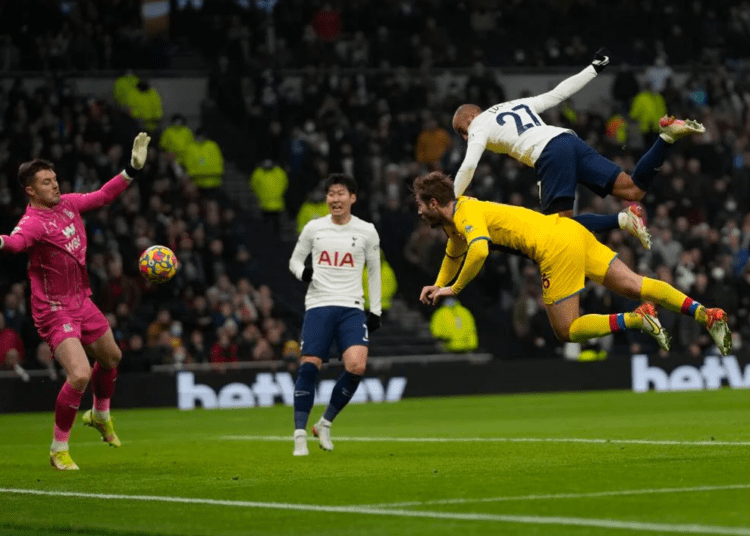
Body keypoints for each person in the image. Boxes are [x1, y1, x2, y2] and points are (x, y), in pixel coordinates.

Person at [414, 171, 731, 358]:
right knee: (636, 284)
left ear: (432, 203)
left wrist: (454, 288)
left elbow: (479, 251)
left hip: (555, 248)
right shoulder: (457, 220)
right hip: (570, 230)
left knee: (566, 330)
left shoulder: (466, 214)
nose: (417, 212)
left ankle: (637, 321)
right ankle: (707, 314)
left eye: (419, 205)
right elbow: (454, 252)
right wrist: (440, 284)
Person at [451, 48, 706, 250]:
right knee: (633, 189)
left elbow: (470, 164)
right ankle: (667, 138)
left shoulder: (478, 125)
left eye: (462, 131)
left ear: (472, 116)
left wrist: (452, 200)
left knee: (558, 226)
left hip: (549, 153)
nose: (465, 138)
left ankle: (622, 220)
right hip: (568, 141)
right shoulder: (512, 105)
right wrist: (593, 69)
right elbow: (558, 94)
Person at [0, 132, 151, 470]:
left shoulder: (68, 203)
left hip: (81, 300)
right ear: (31, 191)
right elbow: (16, 243)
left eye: (54, 179)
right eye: (46, 182)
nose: (55, 185)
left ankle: (99, 414)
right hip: (53, 308)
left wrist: (132, 169)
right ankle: (58, 449)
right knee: (80, 374)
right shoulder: (34, 222)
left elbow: (102, 195)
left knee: (112, 357)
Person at [288, 173, 382, 456]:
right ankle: (299, 435)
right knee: (309, 366)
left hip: (352, 306)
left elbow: (374, 271)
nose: (335, 199)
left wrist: (375, 310)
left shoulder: (367, 231)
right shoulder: (314, 228)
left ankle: (325, 423)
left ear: (352, 198)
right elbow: (294, 260)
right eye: (331, 194)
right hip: (319, 304)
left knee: (357, 366)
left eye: (340, 193)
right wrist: (302, 272)